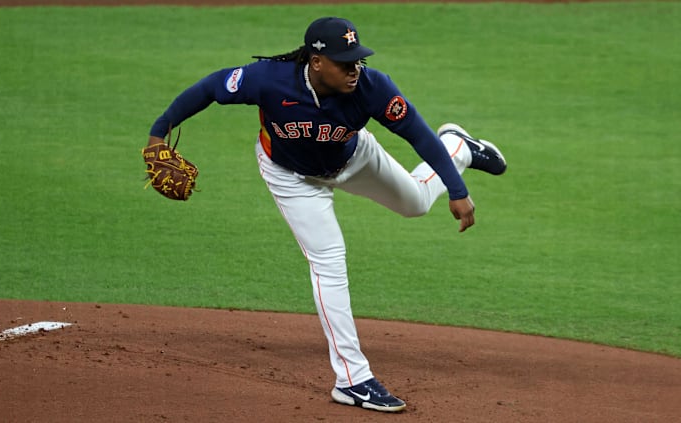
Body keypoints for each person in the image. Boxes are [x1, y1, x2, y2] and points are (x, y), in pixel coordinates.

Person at [147, 16, 506, 413]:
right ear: (316, 62)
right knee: (328, 262)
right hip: (291, 177)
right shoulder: (268, 79)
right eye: (344, 63)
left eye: (357, 59)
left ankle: (458, 148)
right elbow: (211, 88)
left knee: (417, 204)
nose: (355, 70)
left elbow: (418, 134)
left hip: (356, 159)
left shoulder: (372, 87)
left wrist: (457, 190)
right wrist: (158, 133)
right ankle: (353, 380)